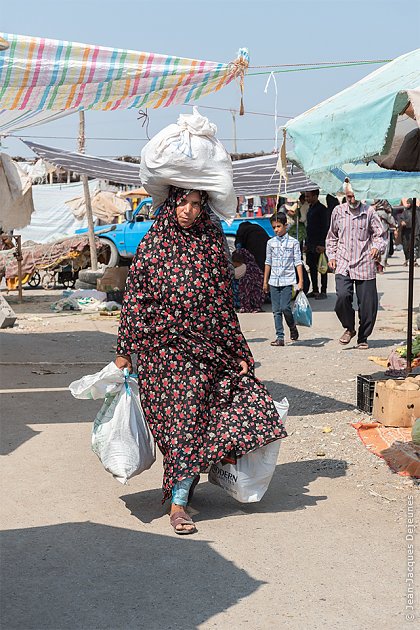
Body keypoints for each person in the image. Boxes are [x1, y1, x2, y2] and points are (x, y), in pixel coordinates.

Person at [115, 187, 287, 534]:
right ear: (172, 203)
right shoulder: (153, 243)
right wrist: (124, 349)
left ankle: (178, 502)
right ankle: (186, 478)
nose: (189, 211)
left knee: (191, 418)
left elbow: (223, 303)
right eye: (184, 203)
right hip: (160, 350)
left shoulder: (210, 243)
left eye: (196, 204)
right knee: (174, 425)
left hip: (204, 348)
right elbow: (134, 297)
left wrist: (239, 350)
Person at [326, 190, 386, 349]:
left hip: (364, 262)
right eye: (348, 195)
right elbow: (332, 236)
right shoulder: (338, 211)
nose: (351, 198)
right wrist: (331, 256)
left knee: (368, 305)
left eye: (353, 195)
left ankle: (363, 337)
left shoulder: (369, 212)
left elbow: (380, 235)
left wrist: (376, 247)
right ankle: (349, 328)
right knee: (342, 297)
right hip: (343, 262)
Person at [263, 212, 304, 347]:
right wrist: (265, 281)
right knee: (276, 310)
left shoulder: (294, 243)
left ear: (285, 225)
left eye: (279, 226)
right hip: (274, 281)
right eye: (274, 227)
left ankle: (292, 326)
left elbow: (298, 262)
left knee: (285, 307)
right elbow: (268, 262)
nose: (276, 230)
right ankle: (280, 337)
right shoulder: (270, 243)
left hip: (288, 281)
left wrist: (300, 281)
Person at [304, 189, 330, 300]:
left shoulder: (322, 210)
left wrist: (322, 244)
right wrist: (306, 244)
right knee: (312, 267)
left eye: (308, 196)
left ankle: (323, 291)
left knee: (322, 268)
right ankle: (315, 290)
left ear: (315, 196)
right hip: (310, 243)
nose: (306, 199)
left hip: (319, 243)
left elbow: (325, 228)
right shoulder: (310, 209)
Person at [372, 199, 396, 267]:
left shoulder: (372, 211)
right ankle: (381, 266)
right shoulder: (385, 212)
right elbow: (391, 221)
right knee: (384, 249)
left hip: (374, 233)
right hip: (384, 233)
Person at [397, 198, 420, 266]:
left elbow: (417, 221)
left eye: (409, 203)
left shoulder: (417, 211)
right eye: (407, 203)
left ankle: (414, 260)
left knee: (415, 247)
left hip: (415, 232)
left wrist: (407, 222)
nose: (407, 204)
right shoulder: (405, 212)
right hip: (406, 233)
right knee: (406, 247)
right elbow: (401, 219)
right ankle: (407, 259)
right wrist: (401, 223)